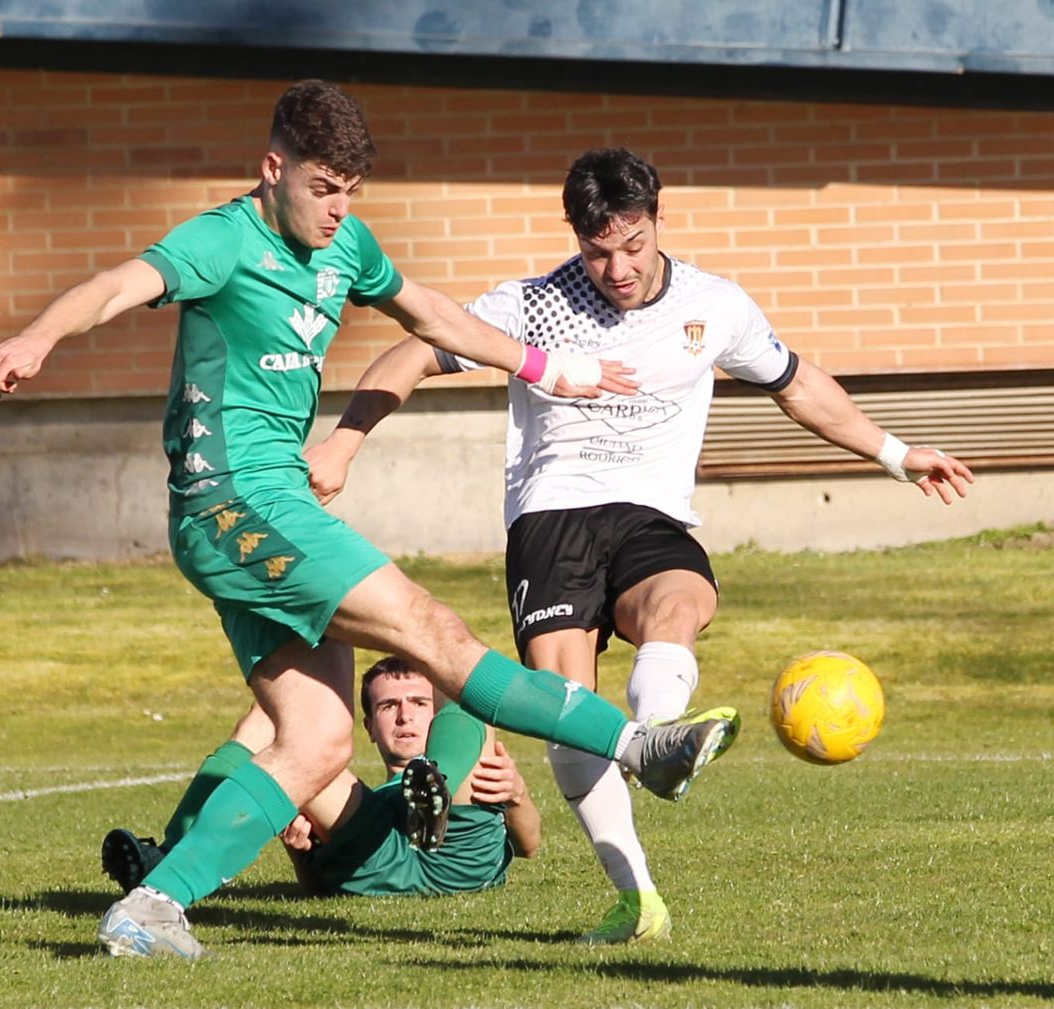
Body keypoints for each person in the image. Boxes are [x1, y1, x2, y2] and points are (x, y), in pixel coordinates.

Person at [0, 81, 737, 960]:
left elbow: (429, 315)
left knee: (320, 736)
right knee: (434, 630)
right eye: (322, 188)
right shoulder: (225, 239)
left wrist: (543, 366)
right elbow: (117, 284)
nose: (337, 210)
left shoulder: (347, 246)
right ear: (274, 168)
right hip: (235, 501)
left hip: (267, 509)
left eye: (350, 192)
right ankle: (644, 744)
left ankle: (149, 905)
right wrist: (37, 337)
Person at [305, 146, 977, 944]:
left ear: (658, 220)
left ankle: (657, 732)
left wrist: (897, 454)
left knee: (683, 602)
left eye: (632, 246)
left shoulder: (714, 305)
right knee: (565, 711)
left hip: (650, 510)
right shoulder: (531, 303)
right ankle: (638, 898)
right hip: (552, 515)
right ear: (575, 237)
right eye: (597, 251)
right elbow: (415, 348)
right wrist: (343, 444)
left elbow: (796, 384)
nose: (617, 268)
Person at [104, 656, 541, 900]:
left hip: (455, 852)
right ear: (368, 726)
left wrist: (517, 795)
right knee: (279, 721)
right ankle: (165, 857)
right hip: (377, 854)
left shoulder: (472, 749)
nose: (406, 715)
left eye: (418, 703)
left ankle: (433, 789)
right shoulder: (357, 795)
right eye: (389, 706)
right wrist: (302, 853)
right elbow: (317, 889)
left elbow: (529, 846)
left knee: (467, 689)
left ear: (434, 711)